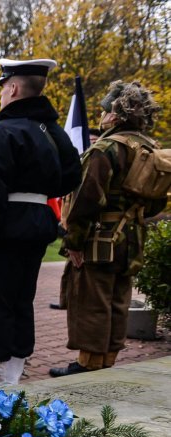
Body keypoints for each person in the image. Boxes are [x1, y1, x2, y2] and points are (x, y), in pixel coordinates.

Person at [0, 59, 81, 384]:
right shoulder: (51, 132)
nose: (2, 93)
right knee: (21, 299)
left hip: (3, 229)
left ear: (14, 88)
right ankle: (15, 370)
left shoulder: (1, 131)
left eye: (3, 87)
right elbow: (71, 174)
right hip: (36, 225)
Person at [50, 81, 165, 377]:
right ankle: (108, 360)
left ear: (115, 115)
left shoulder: (105, 149)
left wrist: (73, 242)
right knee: (118, 301)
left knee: (92, 302)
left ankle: (89, 363)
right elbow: (154, 205)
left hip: (100, 239)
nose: (101, 117)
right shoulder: (150, 148)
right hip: (132, 239)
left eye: (104, 111)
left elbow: (86, 200)